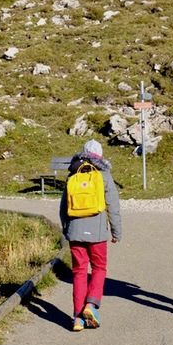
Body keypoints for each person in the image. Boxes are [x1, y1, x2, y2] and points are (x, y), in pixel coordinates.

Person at [59, 139, 122, 332]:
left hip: (75, 231)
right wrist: (116, 231)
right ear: (100, 155)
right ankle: (91, 305)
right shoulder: (104, 174)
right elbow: (113, 205)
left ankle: (77, 319)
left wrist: (66, 228)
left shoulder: (73, 173)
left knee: (79, 272)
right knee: (99, 268)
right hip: (97, 232)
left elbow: (63, 207)